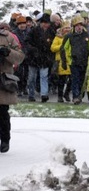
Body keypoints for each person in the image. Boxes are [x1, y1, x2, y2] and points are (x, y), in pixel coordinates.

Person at [1, 22, 25, 153]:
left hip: (3, 80)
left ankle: (5, 139)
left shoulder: (9, 37)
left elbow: (20, 57)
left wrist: (8, 52)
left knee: (2, 113)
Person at [60, 15, 89, 104]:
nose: (79, 27)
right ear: (74, 26)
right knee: (75, 79)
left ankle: (79, 95)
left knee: (82, 80)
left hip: (84, 61)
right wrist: (64, 61)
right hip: (73, 61)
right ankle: (75, 96)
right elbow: (63, 49)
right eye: (77, 25)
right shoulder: (69, 36)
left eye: (80, 25)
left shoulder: (87, 35)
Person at [26, 12, 56, 103]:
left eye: (47, 23)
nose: (46, 25)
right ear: (41, 23)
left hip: (45, 58)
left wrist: (50, 56)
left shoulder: (51, 32)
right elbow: (27, 42)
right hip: (33, 58)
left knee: (44, 76)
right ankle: (31, 94)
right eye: (44, 23)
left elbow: (53, 44)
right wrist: (33, 50)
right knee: (32, 78)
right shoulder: (34, 31)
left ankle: (44, 95)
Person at [50, 21, 73, 102]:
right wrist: (62, 45)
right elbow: (53, 48)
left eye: (68, 28)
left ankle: (66, 93)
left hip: (70, 60)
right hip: (61, 61)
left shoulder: (72, 37)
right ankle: (60, 96)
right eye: (65, 28)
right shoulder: (58, 38)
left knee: (71, 80)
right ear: (62, 29)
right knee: (61, 80)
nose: (67, 30)